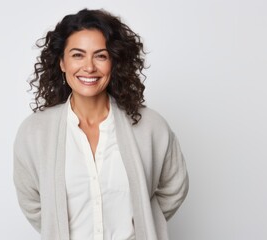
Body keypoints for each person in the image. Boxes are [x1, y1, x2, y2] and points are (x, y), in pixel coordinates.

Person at [14, 8, 189, 240]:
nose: (89, 67)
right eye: (77, 55)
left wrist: (146, 223)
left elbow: (174, 187)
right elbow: (33, 204)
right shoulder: (34, 132)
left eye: (101, 55)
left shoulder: (150, 127)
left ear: (114, 62)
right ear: (62, 63)